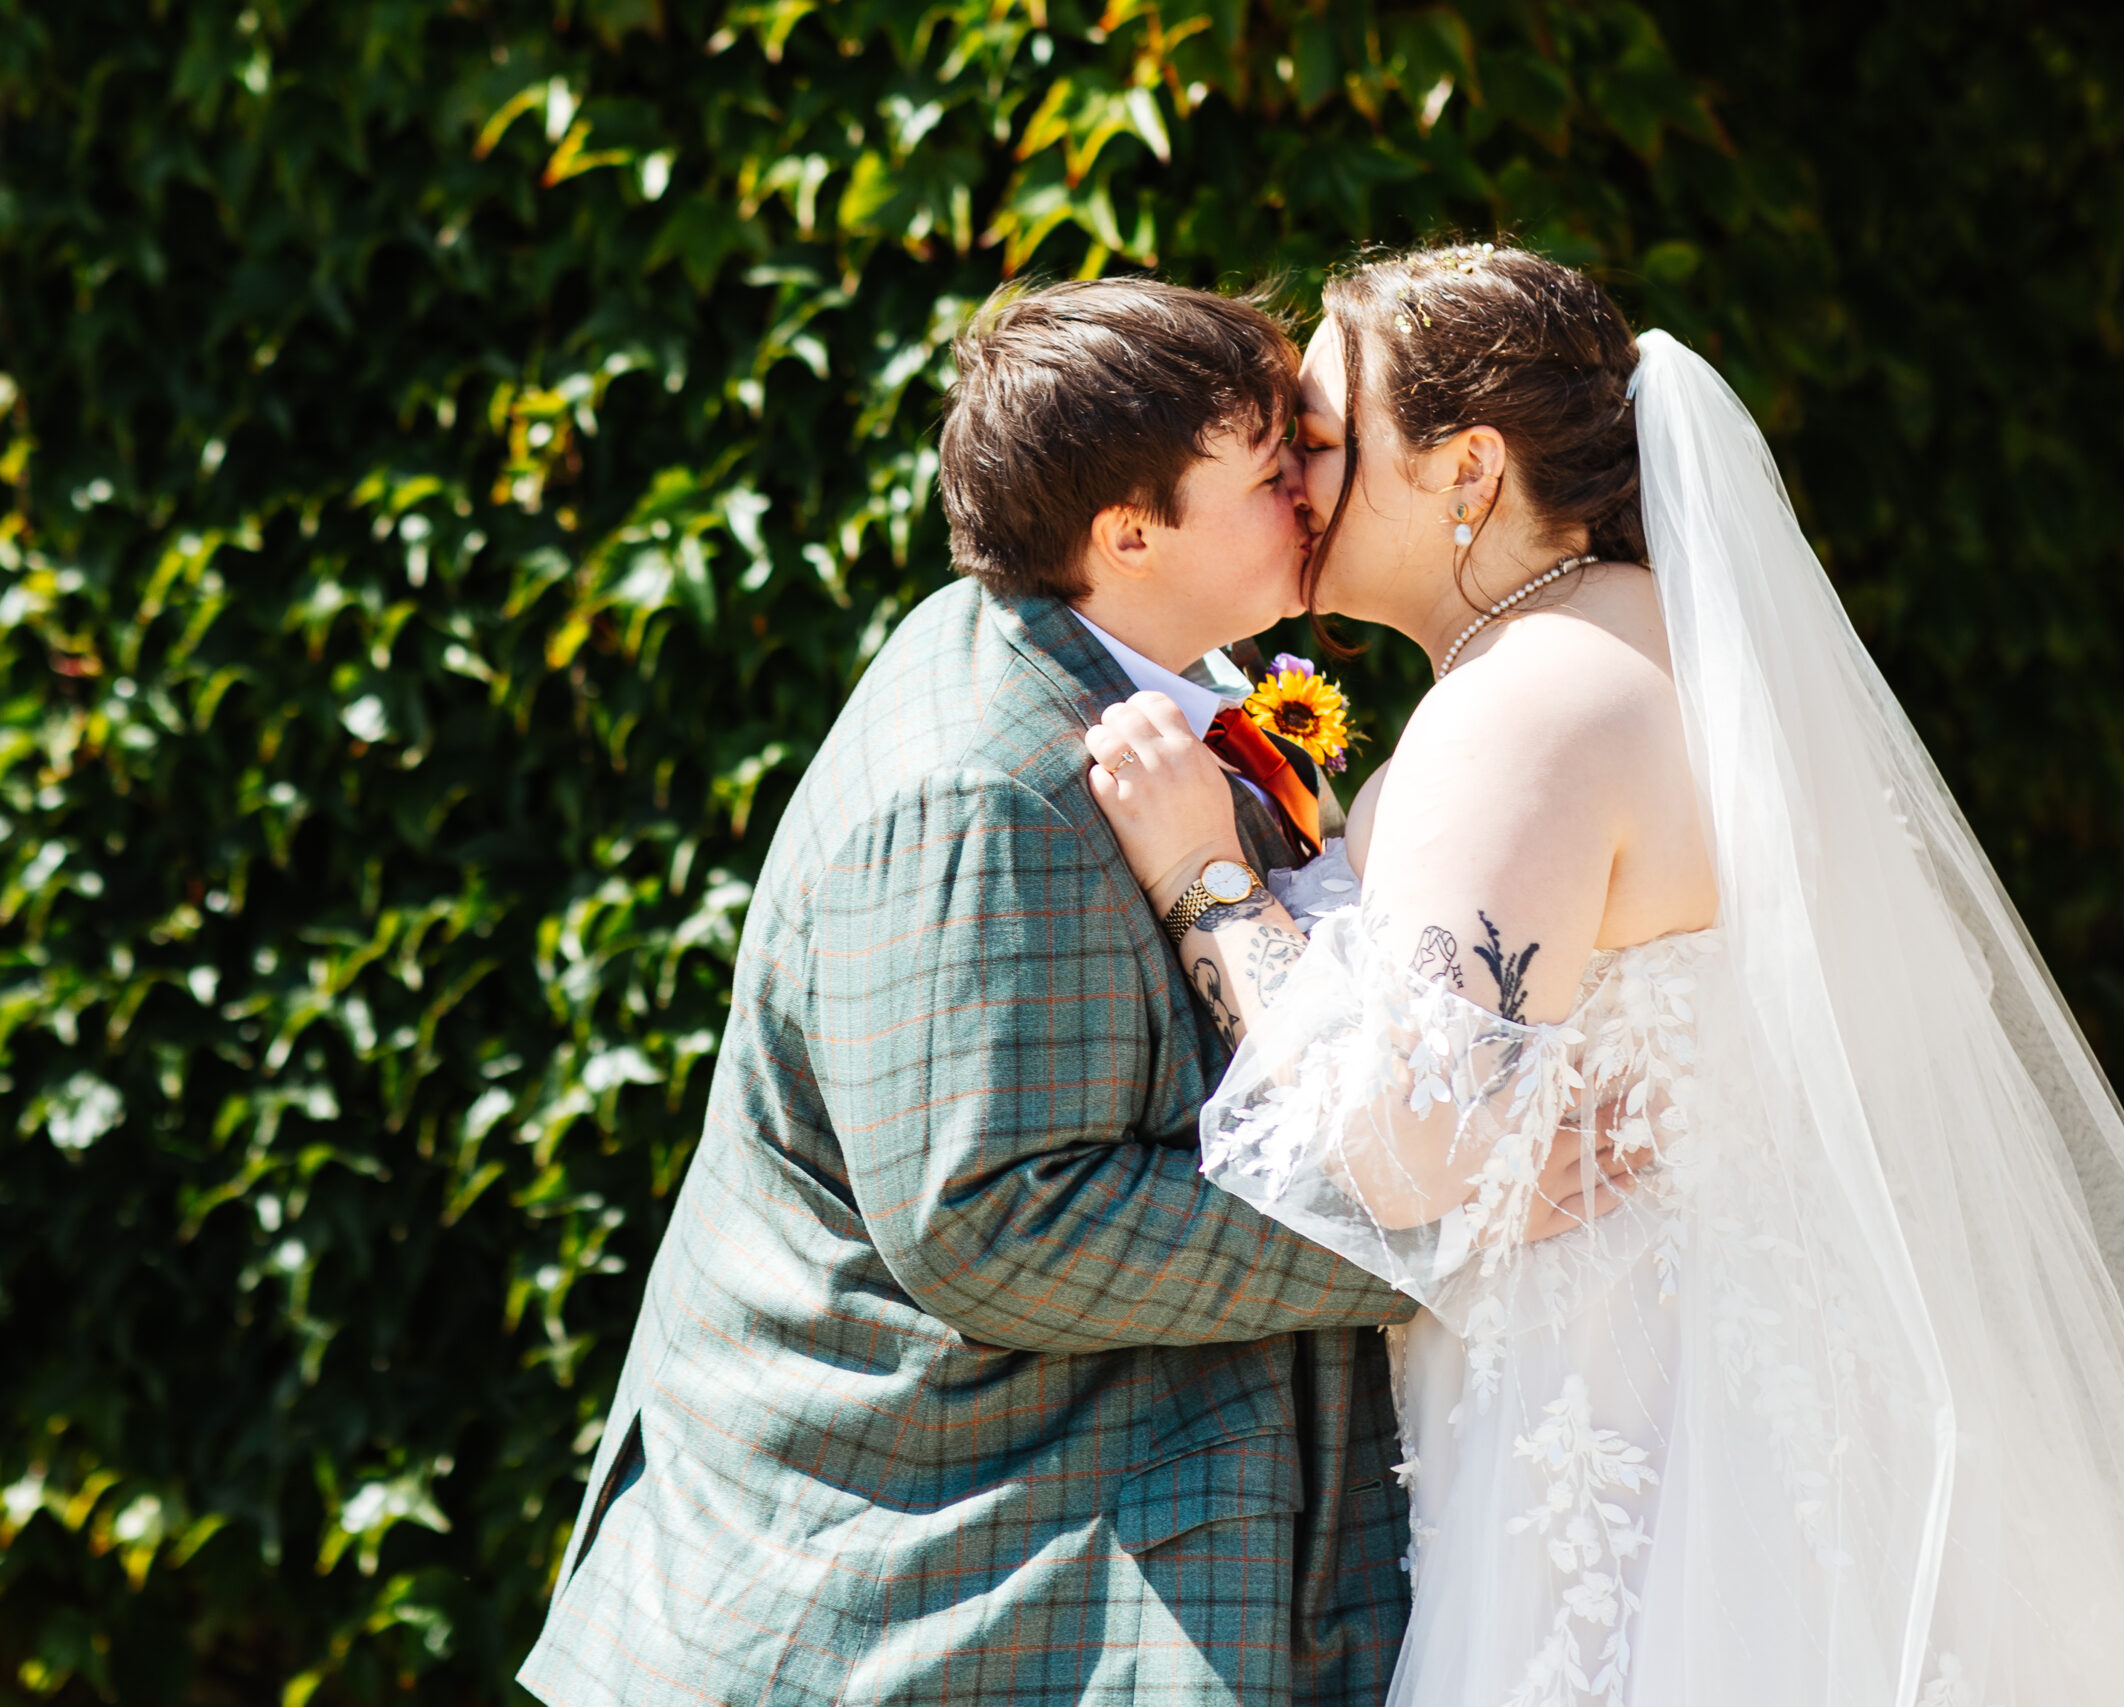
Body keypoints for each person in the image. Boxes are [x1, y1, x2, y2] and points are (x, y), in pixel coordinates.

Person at [1082, 245, 2124, 1707]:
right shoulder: (1668, 647)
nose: (1296, 477)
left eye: (1332, 444)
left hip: (1647, 1474)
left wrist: (1203, 879)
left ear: (1468, 469)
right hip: (1780, 1408)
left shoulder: (1521, 707)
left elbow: (1409, 1144)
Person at [516, 275, 1627, 1707]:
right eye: (1269, 471)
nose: (1311, 493)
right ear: (1130, 531)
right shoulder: (981, 791)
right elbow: (987, 1220)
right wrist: (1422, 1222)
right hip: (908, 1599)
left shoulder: (1138, 676)